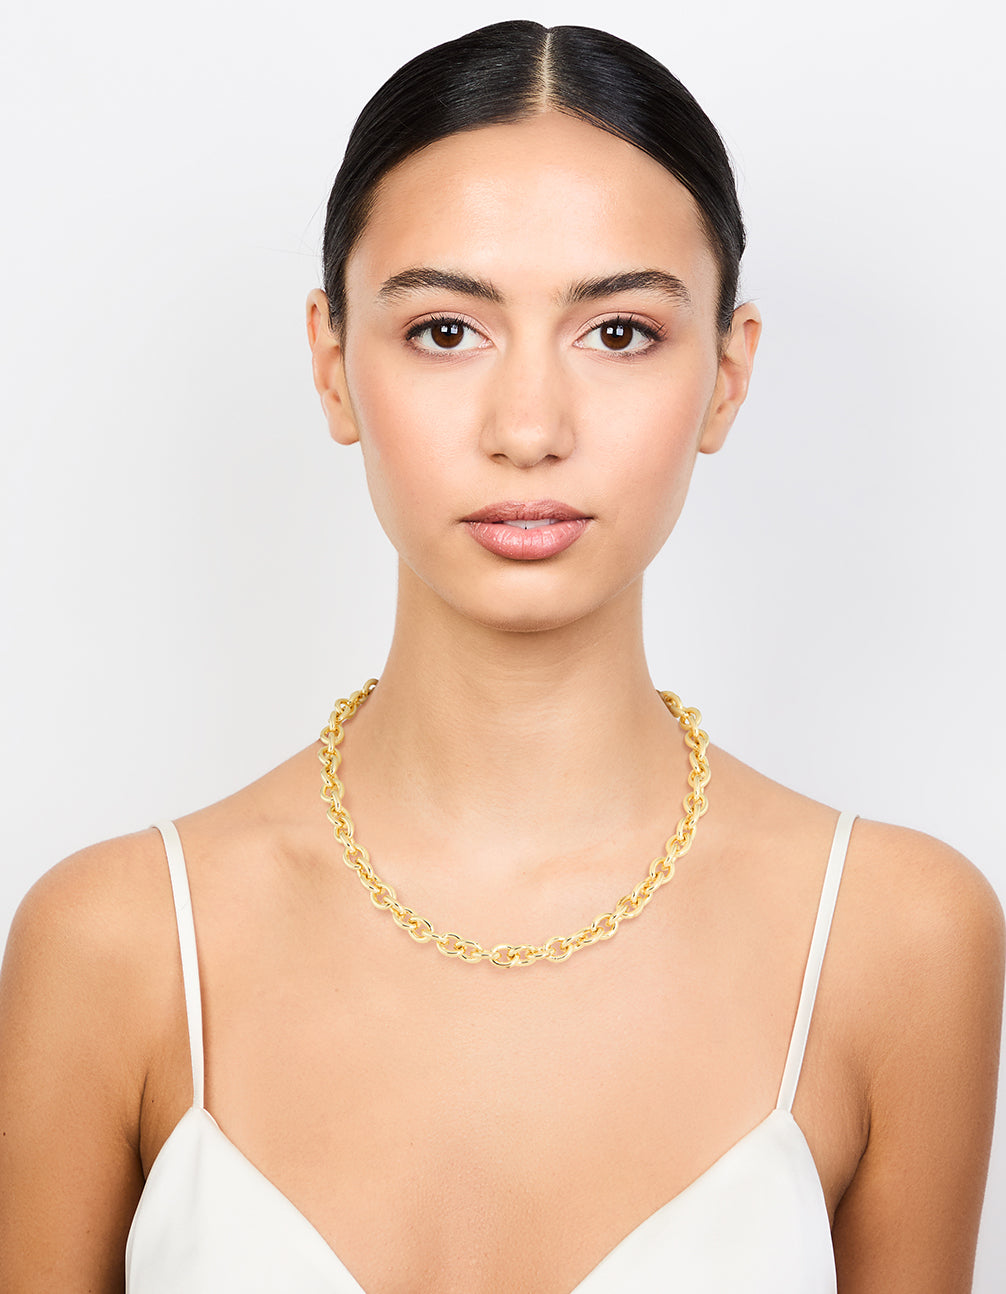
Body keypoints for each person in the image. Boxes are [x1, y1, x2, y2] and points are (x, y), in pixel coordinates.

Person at [0, 19, 1002, 1293]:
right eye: (444, 331)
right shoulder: (117, 941)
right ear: (332, 364)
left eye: (619, 332)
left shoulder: (895, 934)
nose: (528, 427)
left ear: (727, 373)